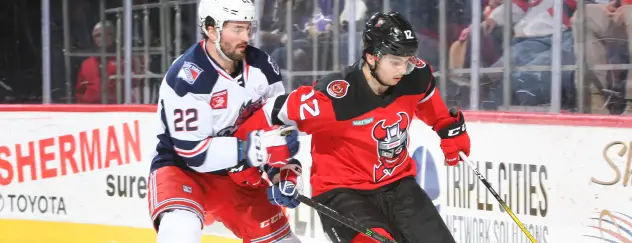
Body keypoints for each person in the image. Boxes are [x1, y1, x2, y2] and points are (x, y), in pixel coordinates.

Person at [245, 12, 471, 243]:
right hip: (342, 192)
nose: (403, 70)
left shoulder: (415, 75)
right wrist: (272, 167)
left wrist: (449, 130)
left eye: (408, 60)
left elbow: (433, 107)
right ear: (372, 57)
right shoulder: (335, 96)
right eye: (395, 62)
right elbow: (271, 114)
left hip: (398, 184)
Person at [147, 0, 303, 242]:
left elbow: (276, 127)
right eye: (237, 29)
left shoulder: (263, 67)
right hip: (183, 172)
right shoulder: (188, 76)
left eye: (248, 28)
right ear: (211, 29)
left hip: (239, 175)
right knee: (179, 232)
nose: (246, 37)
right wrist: (255, 148)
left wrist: (281, 172)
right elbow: (194, 153)